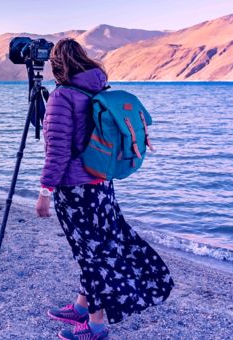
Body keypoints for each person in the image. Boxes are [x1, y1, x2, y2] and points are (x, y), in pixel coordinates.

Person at [36, 38, 174, 340]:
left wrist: (45, 190)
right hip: (101, 185)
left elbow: (57, 151)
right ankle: (82, 307)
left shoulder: (63, 97)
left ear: (58, 64)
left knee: (90, 254)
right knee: (97, 247)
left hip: (76, 191)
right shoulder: (97, 89)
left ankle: (96, 326)